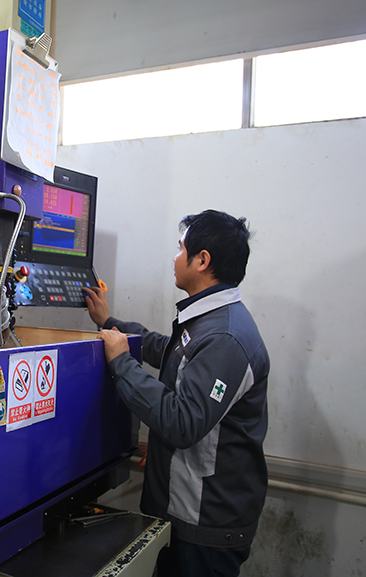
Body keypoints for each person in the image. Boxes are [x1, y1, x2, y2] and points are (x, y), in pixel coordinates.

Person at [83, 210, 270, 577]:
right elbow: (170, 351)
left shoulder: (225, 337)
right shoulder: (210, 320)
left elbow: (182, 422)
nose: (174, 258)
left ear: (202, 260)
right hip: (182, 511)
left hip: (204, 523)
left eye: (181, 249)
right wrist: (110, 324)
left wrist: (122, 364)